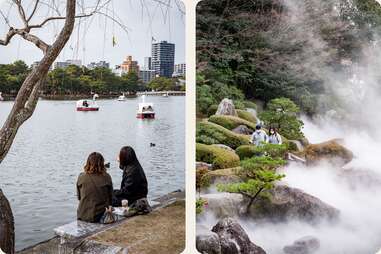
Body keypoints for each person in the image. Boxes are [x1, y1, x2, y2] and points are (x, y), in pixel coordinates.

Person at [113, 146, 151, 214]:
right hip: (135, 195)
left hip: (135, 198)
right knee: (111, 196)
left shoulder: (133, 172)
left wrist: (113, 192)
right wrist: (120, 161)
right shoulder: (133, 165)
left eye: (120, 155)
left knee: (111, 199)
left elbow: (127, 191)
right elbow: (123, 167)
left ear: (124, 158)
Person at [77, 152, 113, 222]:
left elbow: (79, 197)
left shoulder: (81, 177)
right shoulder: (106, 177)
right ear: (102, 163)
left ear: (88, 163)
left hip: (82, 215)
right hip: (99, 216)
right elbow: (111, 198)